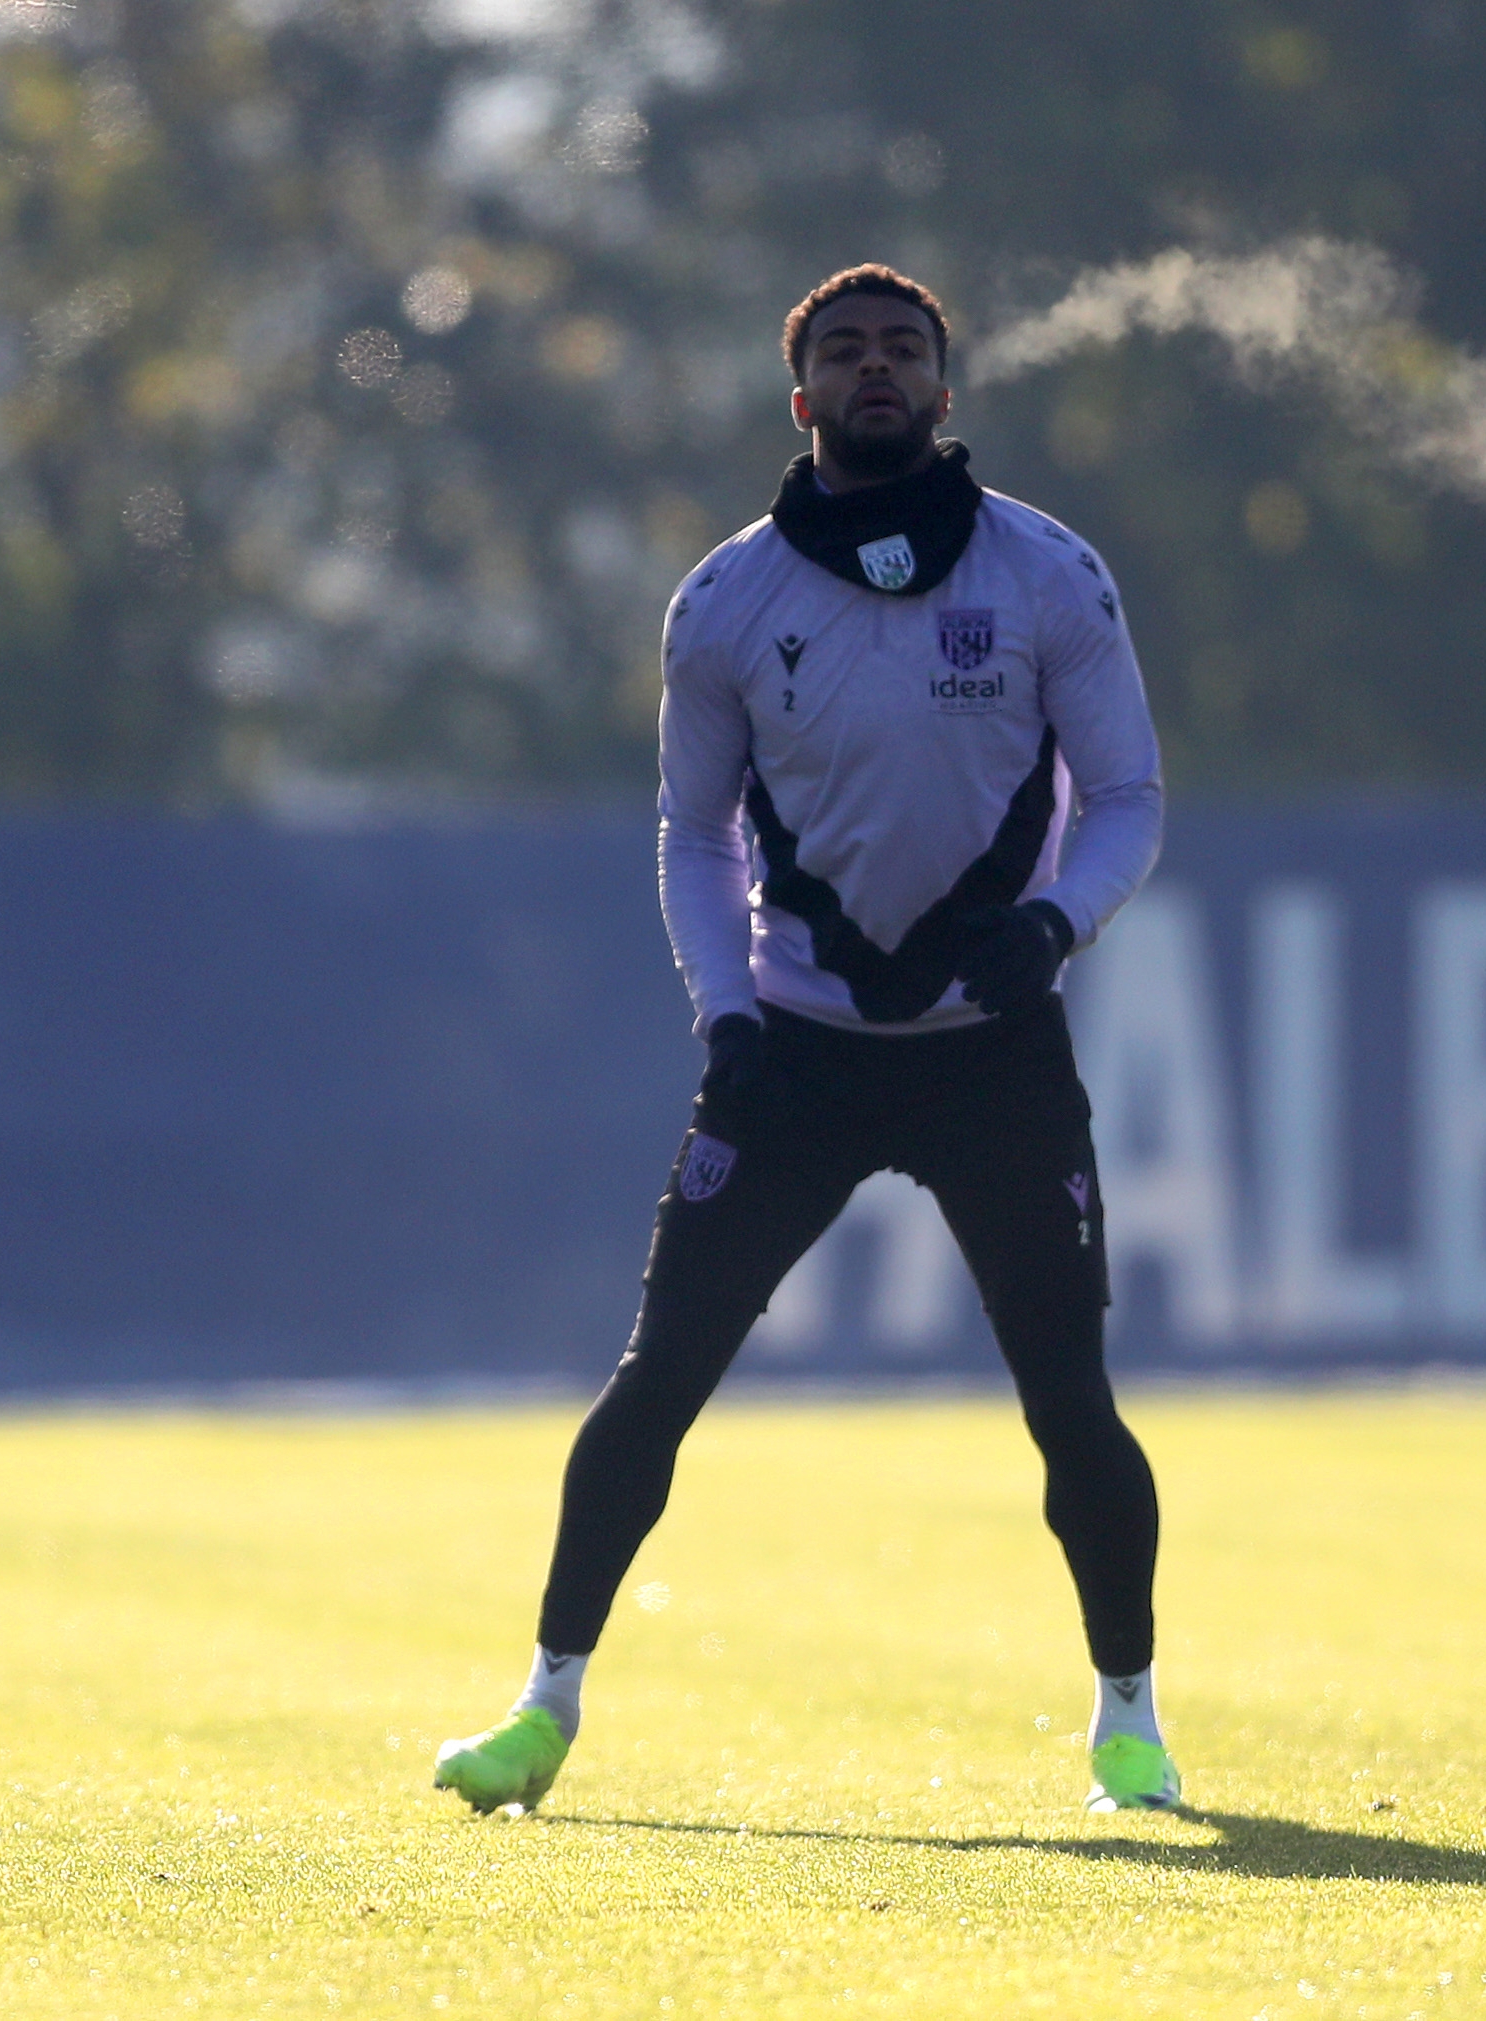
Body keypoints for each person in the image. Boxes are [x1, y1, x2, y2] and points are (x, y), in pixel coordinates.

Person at [433, 264, 1176, 1817]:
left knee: (1069, 1400)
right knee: (658, 1381)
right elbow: (691, 837)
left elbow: (1129, 801)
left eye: (904, 347)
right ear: (803, 399)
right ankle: (542, 1707)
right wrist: (728, 1013)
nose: (876, 368)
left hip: (996, 1051)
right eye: (843, 351)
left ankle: (1130, 1724)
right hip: (798, 1054)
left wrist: (1051, 927)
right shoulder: (725, 602)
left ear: (946, 390)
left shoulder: (1050, 576)